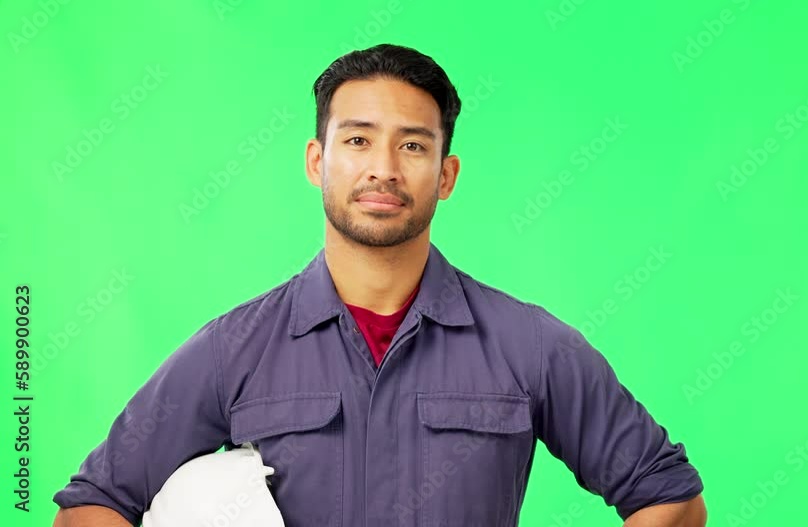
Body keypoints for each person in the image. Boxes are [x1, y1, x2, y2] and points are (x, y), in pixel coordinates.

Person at [52, 43, 707, 527]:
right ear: (318, 161)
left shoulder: (528, 343)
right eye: (358, 140)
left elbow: (670, 498)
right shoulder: (234, 348)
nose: (383, 169)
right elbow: (92, 505)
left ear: (446, 175)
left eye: (413, 146)